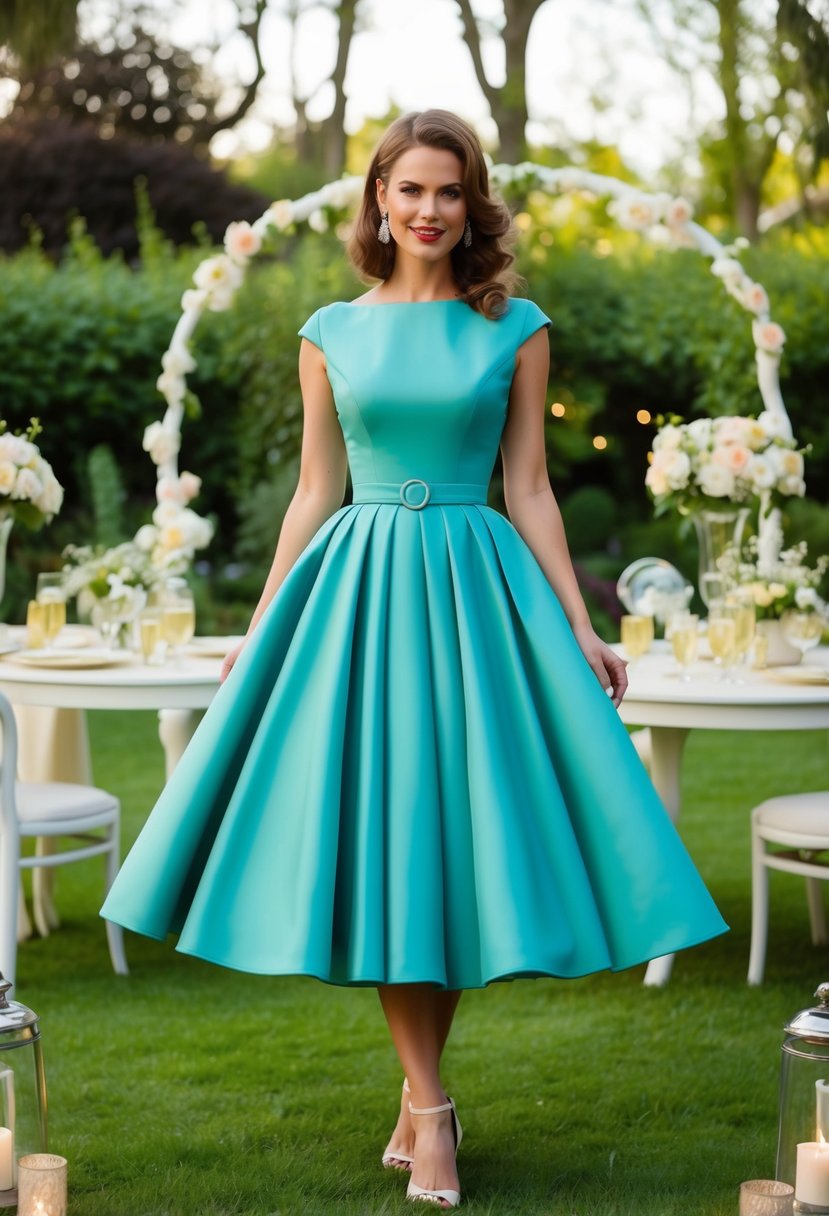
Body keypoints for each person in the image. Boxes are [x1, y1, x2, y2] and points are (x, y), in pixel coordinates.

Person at [101, 108, 728, 1209]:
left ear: (469, 201)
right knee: (392, 842)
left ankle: (416, 1092)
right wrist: (261, 624)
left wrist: (578, 624)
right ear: (378, 203)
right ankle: (430, 1107)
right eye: (410, 190)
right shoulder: (329, 331)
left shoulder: (515, 327)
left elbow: (526, 486)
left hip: (477, 593)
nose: (429, 210)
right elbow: (314, 490)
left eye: (448, 191)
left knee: (442, 852)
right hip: (360, 594)